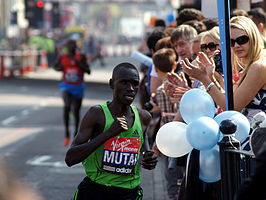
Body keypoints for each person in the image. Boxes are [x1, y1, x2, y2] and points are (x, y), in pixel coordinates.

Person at [65, 62, 158, 200]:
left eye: (135, 83)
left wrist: (148, 158)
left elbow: (142, 149)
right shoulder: (97, 114)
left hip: (129, 193)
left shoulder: (143, 117)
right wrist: (108, 134)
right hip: (96, 191)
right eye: (124, 83)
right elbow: (70, 158)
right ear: (111, 84)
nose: (130, 88)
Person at [181, 16, 266, 123]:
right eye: (231, 42)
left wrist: (204, 78)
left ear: (253, 38)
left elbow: (232, 108)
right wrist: (210, 77)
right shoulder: (252, 65)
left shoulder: (258, 66)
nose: (236, 45)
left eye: (241, 40)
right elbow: (227, 100)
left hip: (259, 136)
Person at [150, 48, 184, 200]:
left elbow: (157, 108)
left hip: (165, 134)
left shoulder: (159, 90)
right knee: (182, 173)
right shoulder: (180, 85)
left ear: (156, 69)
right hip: (181, 133)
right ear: (175, 64)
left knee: (170, 174)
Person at [54, 39, 91, 146]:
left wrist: (79, 64)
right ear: (67, 47)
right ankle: (66, 133)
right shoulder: (63, 57)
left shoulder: (81, 56)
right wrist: (60, 68)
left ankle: (76, 132)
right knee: (66, 105)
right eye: (69, 47)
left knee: (76, 112)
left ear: (76, 47)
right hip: (66, 85)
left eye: (73, 46)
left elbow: (88, 71)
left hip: (78, 87)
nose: (71, 49)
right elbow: (55, 66)